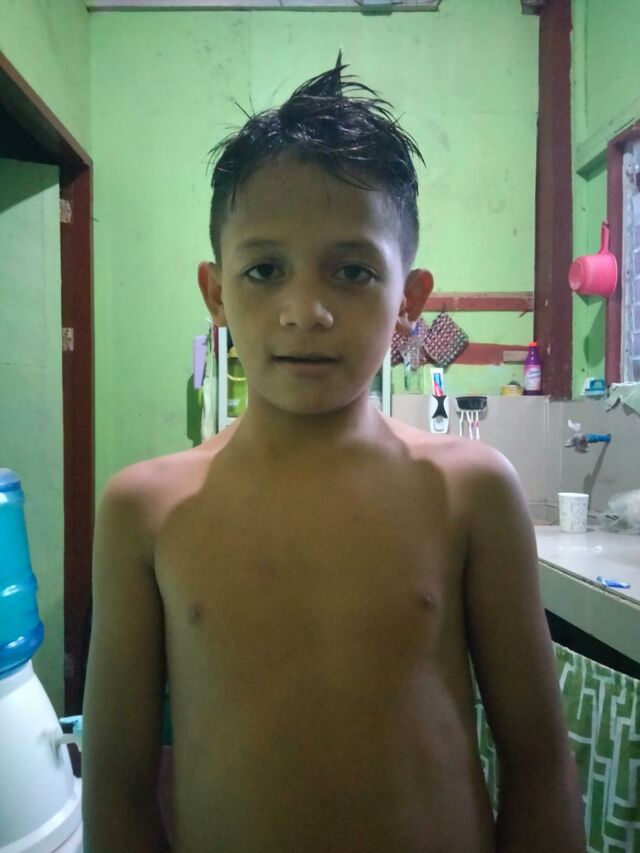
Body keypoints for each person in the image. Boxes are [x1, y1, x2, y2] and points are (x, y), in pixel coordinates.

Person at [82, 58, 585, 852]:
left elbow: (539, 763)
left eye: (352, 271)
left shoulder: (471, 492)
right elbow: (115, 786)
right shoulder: (145, 510)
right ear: (216, 292)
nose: (305, 311)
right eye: (264, 270)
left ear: (408, 301)